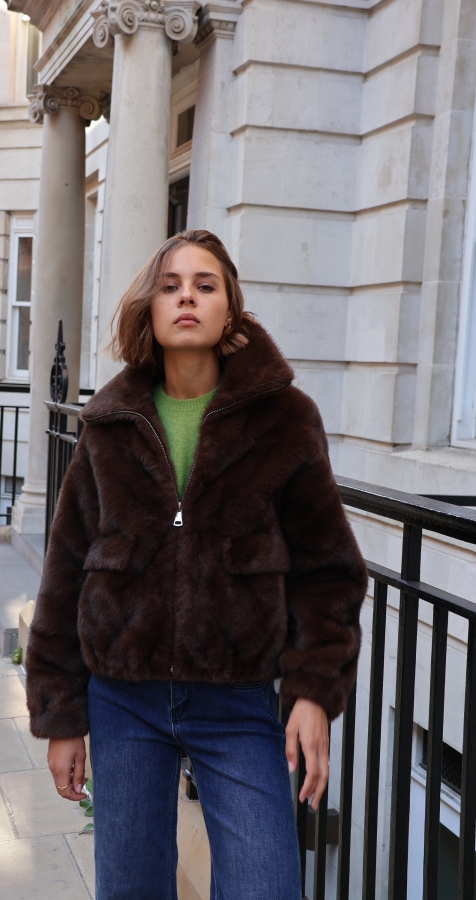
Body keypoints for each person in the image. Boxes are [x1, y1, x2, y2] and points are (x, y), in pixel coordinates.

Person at [25, 229, 368, 900]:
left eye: (205, 285)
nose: (187, 296)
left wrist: (312, 691)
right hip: (123, 698)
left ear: (230, 309)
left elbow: (328, 569)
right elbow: (65, 572)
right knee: (129, 889)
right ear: (149, 309)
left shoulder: (286, 420)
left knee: (266, 885)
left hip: (237, 700)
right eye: (170, 285)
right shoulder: (109, 425)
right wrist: (61, 717)